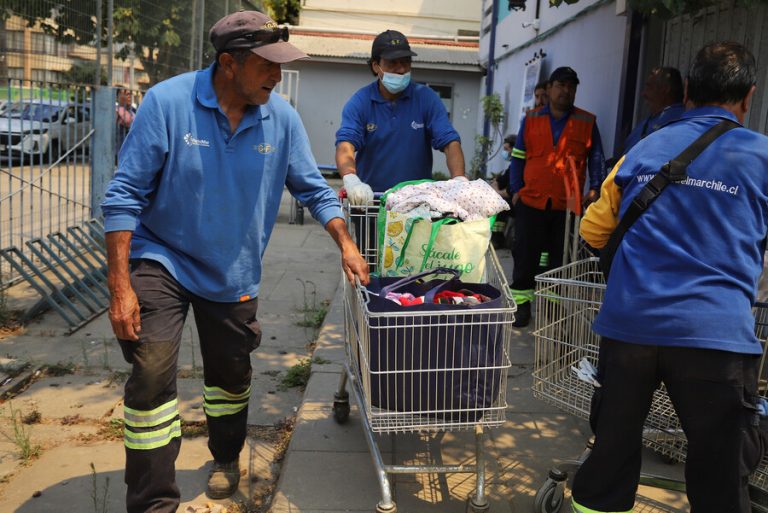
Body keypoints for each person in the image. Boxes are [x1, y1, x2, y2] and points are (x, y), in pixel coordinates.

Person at [100, 11, 369, 513]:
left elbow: (313, 189)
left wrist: (345, 243)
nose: (276, 75)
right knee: (152, 374)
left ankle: (225, 457)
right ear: (228, 63)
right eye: (267, 65)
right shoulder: (167, 103)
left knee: (230, 376)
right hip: (163, 258)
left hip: (232, 270)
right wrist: (121, 286)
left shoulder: (281, 117)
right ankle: (153, 502)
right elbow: (123, 196)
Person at [572, 41, 767, 513]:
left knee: (611, 456)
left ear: (686, 96)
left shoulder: (643, 148)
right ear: (749, 96)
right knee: (721, 471)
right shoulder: (761, 156)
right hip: (715, 337)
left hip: (630, 327)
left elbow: (593, 229)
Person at [507, 67, 605, 327]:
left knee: (559, 259)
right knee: (525, 256)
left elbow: (596, 158)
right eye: (561, 85)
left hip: (566, 205)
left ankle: (552, 306)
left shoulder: (587, 122)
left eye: (571, 86)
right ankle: (522, 305)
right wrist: (516, 190)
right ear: (549, 89)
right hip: (532, 200)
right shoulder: (531, 119)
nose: (566, 91)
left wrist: (595, 188)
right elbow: (517, 158)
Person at [335, 29, 467, 205]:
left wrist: (458, 179)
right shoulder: (361, 102)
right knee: (370, 233)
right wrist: (351, 179)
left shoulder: (426, 98)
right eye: (392, 63)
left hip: (416, 204)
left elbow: (450, 142)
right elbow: (346, 145)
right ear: (376, 66)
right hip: (372, 202)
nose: (401, 69)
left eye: (406, 62)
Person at [622, 66, 685, 153]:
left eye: (649, 87)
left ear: (665, 90)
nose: (643, 94)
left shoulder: (680, 122)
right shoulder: (652, 119)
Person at [115, 85, 136, 155]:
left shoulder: (133, 110)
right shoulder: (116, 111)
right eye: (125, 94)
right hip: (119, 151)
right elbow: (128, 121)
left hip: (131, 151)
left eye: (129, 93)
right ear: (118, 97)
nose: (129, 96)